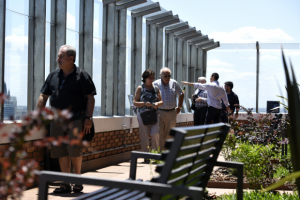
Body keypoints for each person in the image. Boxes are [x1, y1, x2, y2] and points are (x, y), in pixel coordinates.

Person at [36, 45, 96, 193]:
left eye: (61, 56)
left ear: (71, 58)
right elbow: (44, 95)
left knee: (74, 148)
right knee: (60, 150)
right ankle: (65, 182)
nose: (58, 59)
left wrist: (88, 117)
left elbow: (90, 98)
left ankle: (77, 180)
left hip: (76, 118)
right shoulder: (52, 76)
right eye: (58, 56)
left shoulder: (82, 75)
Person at [133, 69, 163, 162]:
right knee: (144, 136)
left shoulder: (156, 88)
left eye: (153, 77)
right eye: (150, 77)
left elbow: (161, 101)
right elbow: (135, 102)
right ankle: (146, 157)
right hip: (142, 114)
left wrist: (157, 104)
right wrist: (145, 103)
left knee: (155, 134)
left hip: (154, 114)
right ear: (145, 78)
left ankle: (154, 156)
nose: (152, 79)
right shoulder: (140, 88)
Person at [153, 68, 184, 149]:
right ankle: (159, 155)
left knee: (169, 135)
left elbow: (181, 94)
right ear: (160, 76)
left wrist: (179, 107)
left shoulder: (174, 83)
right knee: (158, 134)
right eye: (165, 76)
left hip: (171, 112)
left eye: (169, 75)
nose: (167, 77)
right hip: (158, 112)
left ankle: (167, 154)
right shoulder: (155, 84)